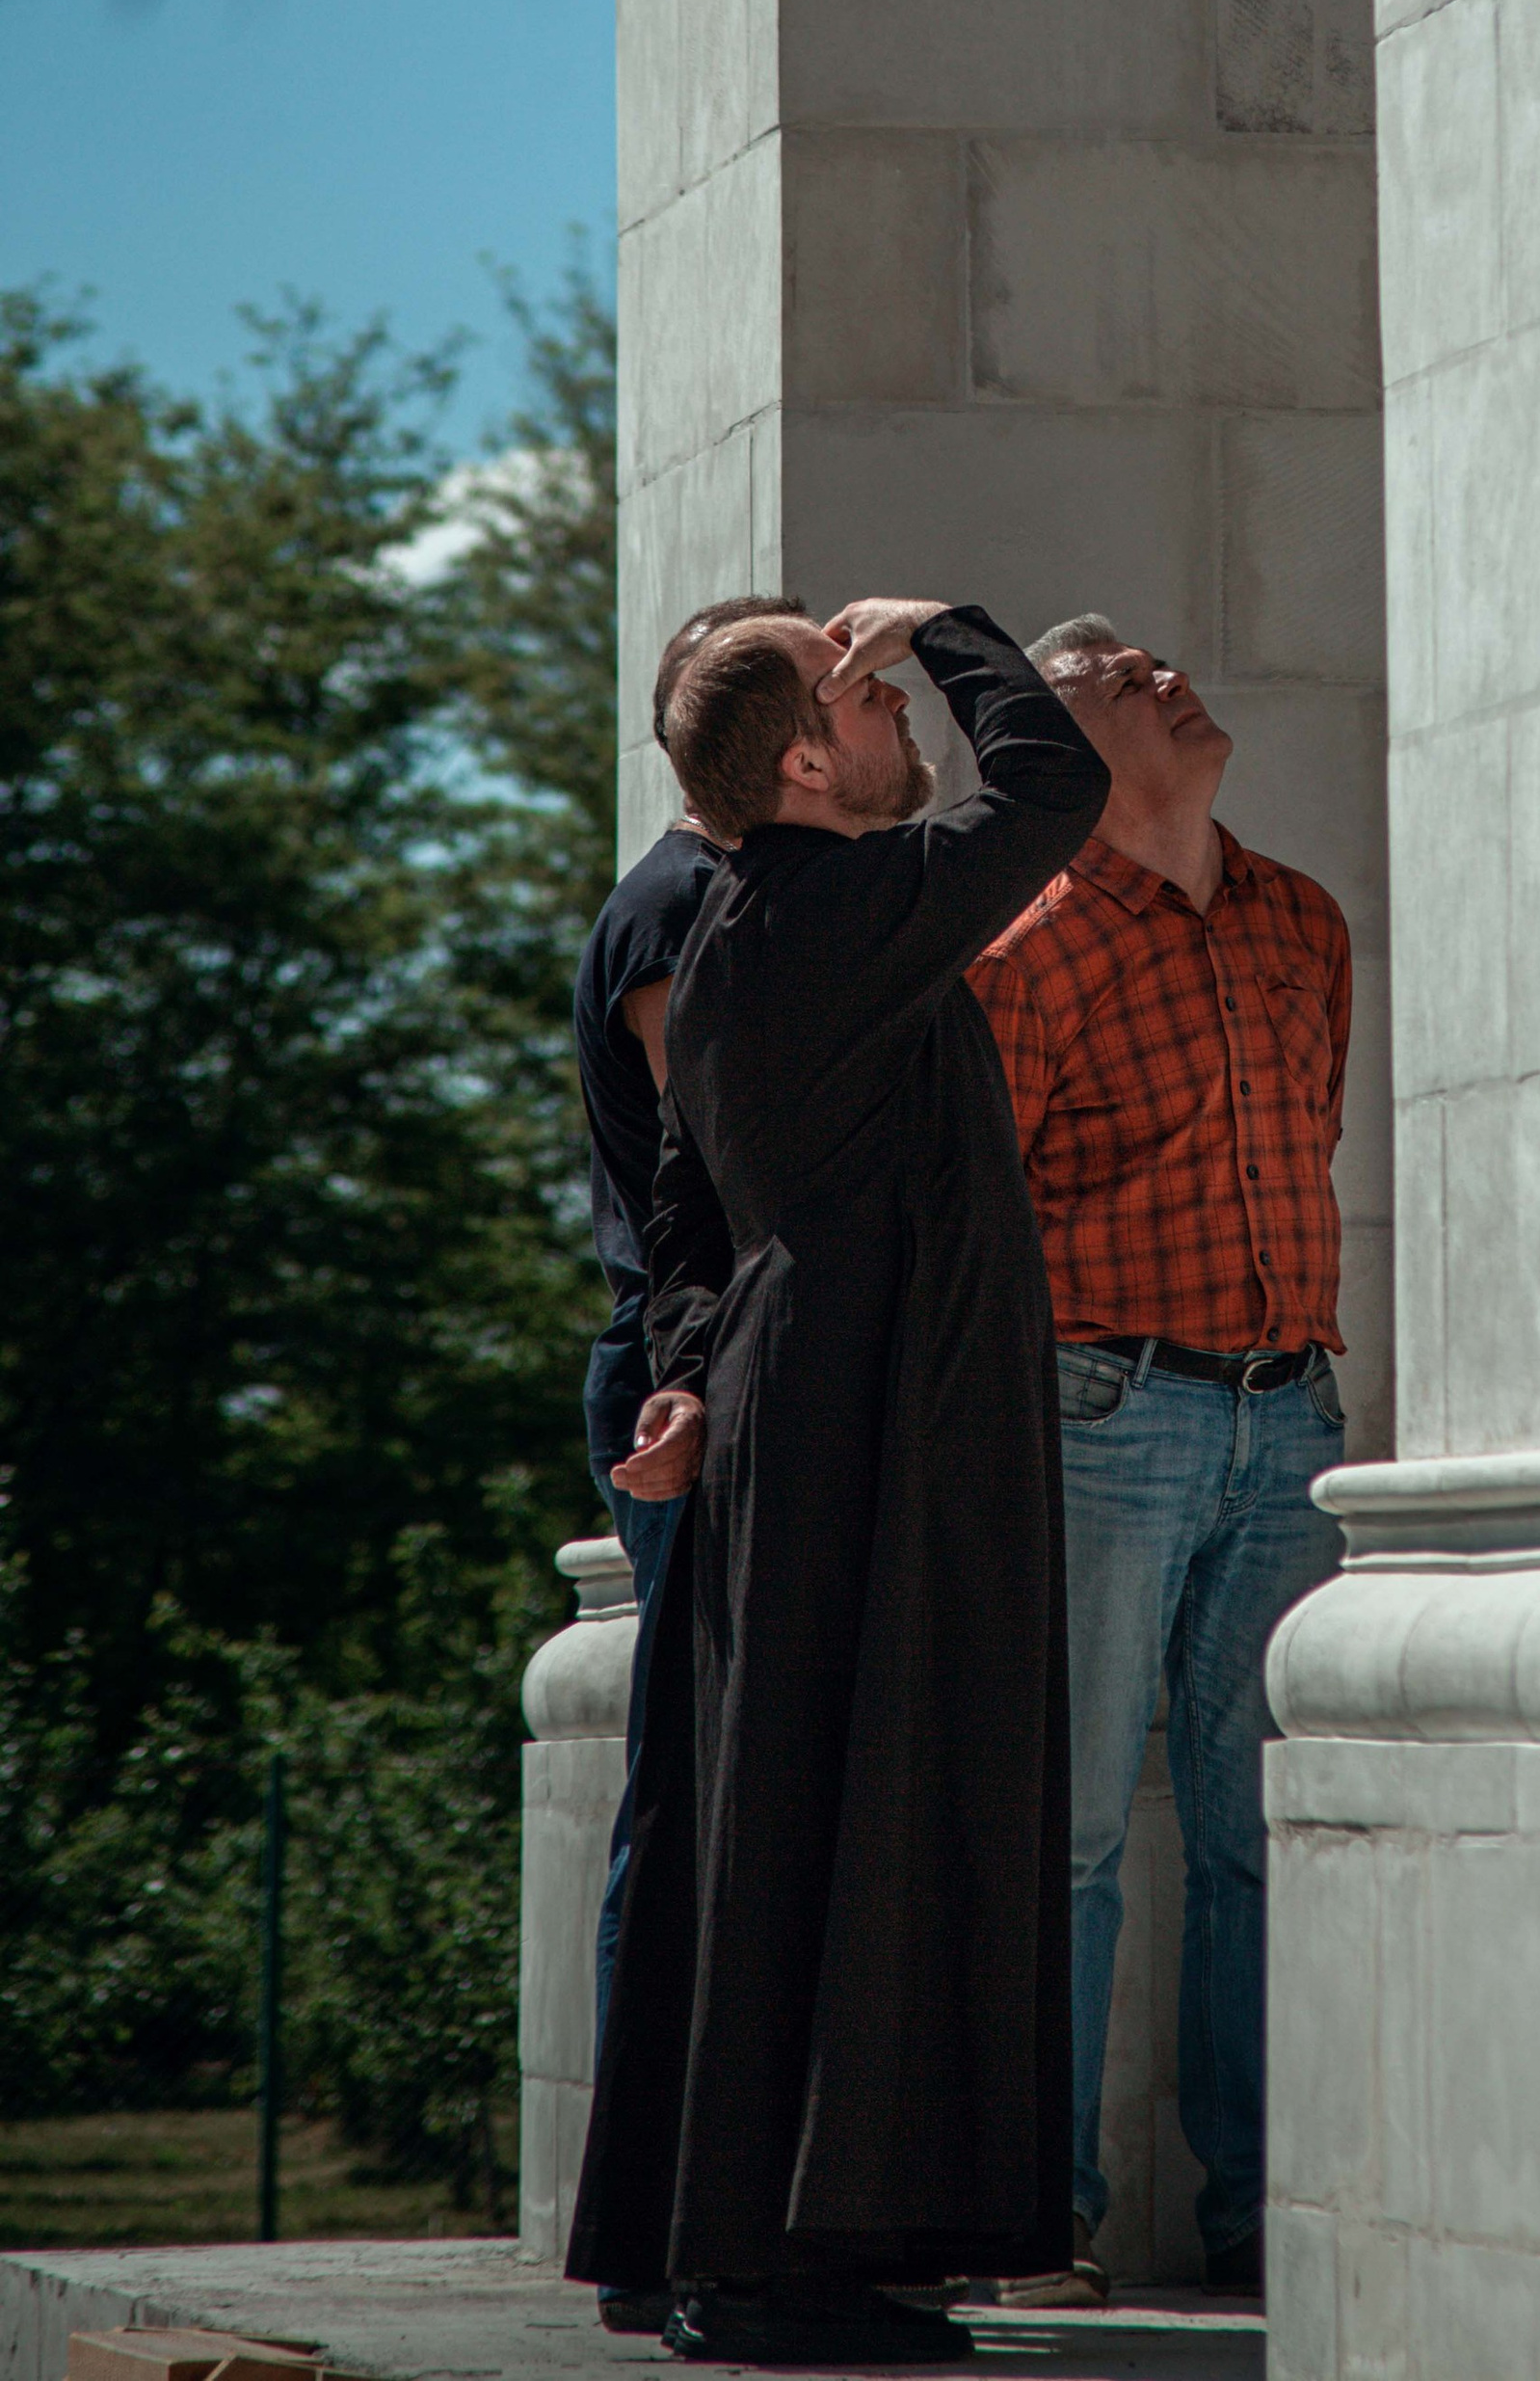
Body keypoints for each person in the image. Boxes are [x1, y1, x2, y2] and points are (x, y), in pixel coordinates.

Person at [567, 599, 1109, 2371]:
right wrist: (953, 628)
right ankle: (775, 2265)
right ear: (804, 761)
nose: (893, 712)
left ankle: (796, 2246)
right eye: (860, 696)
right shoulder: (838, 906)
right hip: (876, 1409)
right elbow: (1052, 786)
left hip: (826, 1402)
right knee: (858, 1803)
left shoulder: (736, 927)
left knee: (817, 1812)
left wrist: (692, 1377)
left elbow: (688, 1216)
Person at [967, 615, 1349, 2309]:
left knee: (1265, 1825)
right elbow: (990, 1217)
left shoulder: (1302, 919)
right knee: (1065, 1835)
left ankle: (1274, 2216)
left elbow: (1316, 1136)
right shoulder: (1023, 950)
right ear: (1060, 741)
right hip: (1104, 1411)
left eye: (1158, 659)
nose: (1166, 675)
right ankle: (1030, 2213)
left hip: (1295, 1416)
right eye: (1116, 677)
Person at [569, 598, 807, 2183]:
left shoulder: (734, 894)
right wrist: (704, 1382)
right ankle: (648, 2191)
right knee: (680, 1792)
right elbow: (698, 1169)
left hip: (708, 1363)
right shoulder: (675, 910)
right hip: (680, 1370)